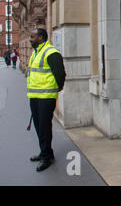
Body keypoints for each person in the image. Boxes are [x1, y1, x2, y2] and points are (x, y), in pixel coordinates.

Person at [27, 28, 66, 172]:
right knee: (38, 126)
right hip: (35, 97)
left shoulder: (51, 52)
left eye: (33, 36)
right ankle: (45, 152)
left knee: (44, 127)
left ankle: (46, 157)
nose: (30, 39)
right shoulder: (36, 52)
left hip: (46, 97)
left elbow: (60, 74)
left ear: (41, 37)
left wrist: (58, 88)